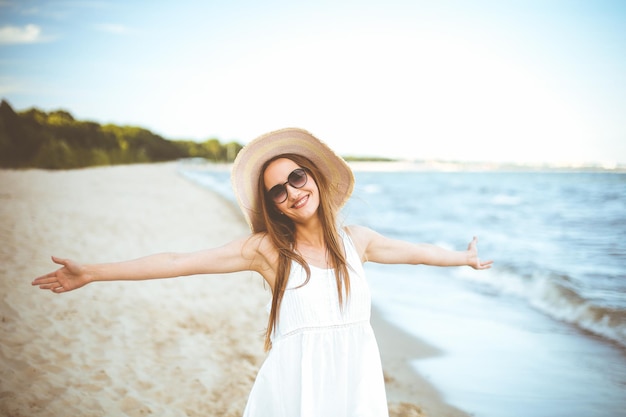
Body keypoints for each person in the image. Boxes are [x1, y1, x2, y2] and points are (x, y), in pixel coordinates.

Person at [32, 127, 493, 417]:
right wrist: (92, 272)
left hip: (355, 384)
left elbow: (414, 252)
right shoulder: (267, 251)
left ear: (312, 176)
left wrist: (463, 258)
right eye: (277, 190)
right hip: (295, 392)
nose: (292, 192)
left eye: (296, 178)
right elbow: (178, 262)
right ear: (272, 204)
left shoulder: (359, 240)